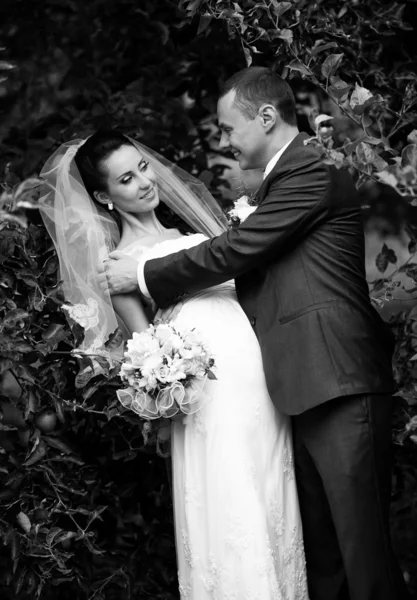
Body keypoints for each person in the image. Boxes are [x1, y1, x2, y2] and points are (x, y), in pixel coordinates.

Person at [104, 67, 409, 600]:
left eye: (227, 129)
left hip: (337, 381)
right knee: (327, 564)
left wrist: (146, 274)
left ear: (266, 117)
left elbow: (238, 251)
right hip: (295, 392)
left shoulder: (311, 167)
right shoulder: (276, 183)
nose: (224, 141)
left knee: (365, 562)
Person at [39, 129, 309, 600]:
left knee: (271, 491)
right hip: (207, 397)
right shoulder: (119, 265)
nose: (145, 181)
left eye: (143, 167)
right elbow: (142, 346)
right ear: (104, 196)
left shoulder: (202, 237)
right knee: (231, 501)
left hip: (258, 382)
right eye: (126, 179)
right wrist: (164, 384)